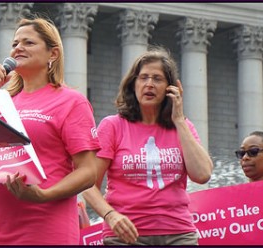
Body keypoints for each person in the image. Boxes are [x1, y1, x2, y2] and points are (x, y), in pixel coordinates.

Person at [0, 17, 100, 245]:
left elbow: (89, 172)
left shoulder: (71, 102)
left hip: (46, 228)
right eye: (15, 44)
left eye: (28, 43)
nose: (18, 48)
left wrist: (43, 195)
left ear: (53, 54)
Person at [81, 47, 214, 245]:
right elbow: (88, 184)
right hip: (126, 236)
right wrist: (110, 215)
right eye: (143, 77)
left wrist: (178, 119)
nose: (149, 84)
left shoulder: (183, 126)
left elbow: (202, 175)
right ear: (133, 84)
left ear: (171, 88)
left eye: (157, 79)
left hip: (178, 234)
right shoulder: (113, 125)